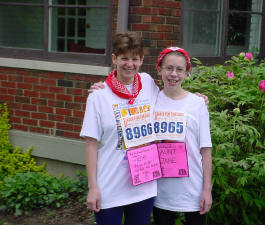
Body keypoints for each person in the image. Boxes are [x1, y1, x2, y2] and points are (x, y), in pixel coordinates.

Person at [80, 32, 159, 225]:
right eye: (124, 58)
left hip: (144, 186)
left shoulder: (147, 83)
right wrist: (93, 188)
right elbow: (91, 144)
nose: (129, 64)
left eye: (135, 58)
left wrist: (197, 99)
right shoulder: (98, 96)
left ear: (141, 60)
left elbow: (171, 102)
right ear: (114, 59)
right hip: (111, 188)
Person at [152, 47, 212, 225]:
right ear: (159, 69)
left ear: (187, 73)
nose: (173, 74)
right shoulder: (150, 101)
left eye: (179, 69)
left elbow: (206, 151)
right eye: (169, 68)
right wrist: (101, 87)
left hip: (192, 190)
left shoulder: (198, 104)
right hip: (160, 191)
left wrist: (207, 189)